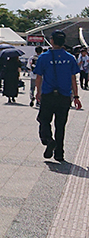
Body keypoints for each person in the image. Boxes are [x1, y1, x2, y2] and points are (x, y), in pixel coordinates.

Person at [35, 30, 82, 163]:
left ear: (52, 41)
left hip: (48, 95)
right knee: (60, 125)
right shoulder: (70, 58)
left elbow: (39, 77)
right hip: (64, 96)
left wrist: (38, 92)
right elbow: (73, 79)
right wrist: (76, 96)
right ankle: (59, 153)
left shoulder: (43, 57)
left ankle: (49, 140)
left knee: (43, 120)